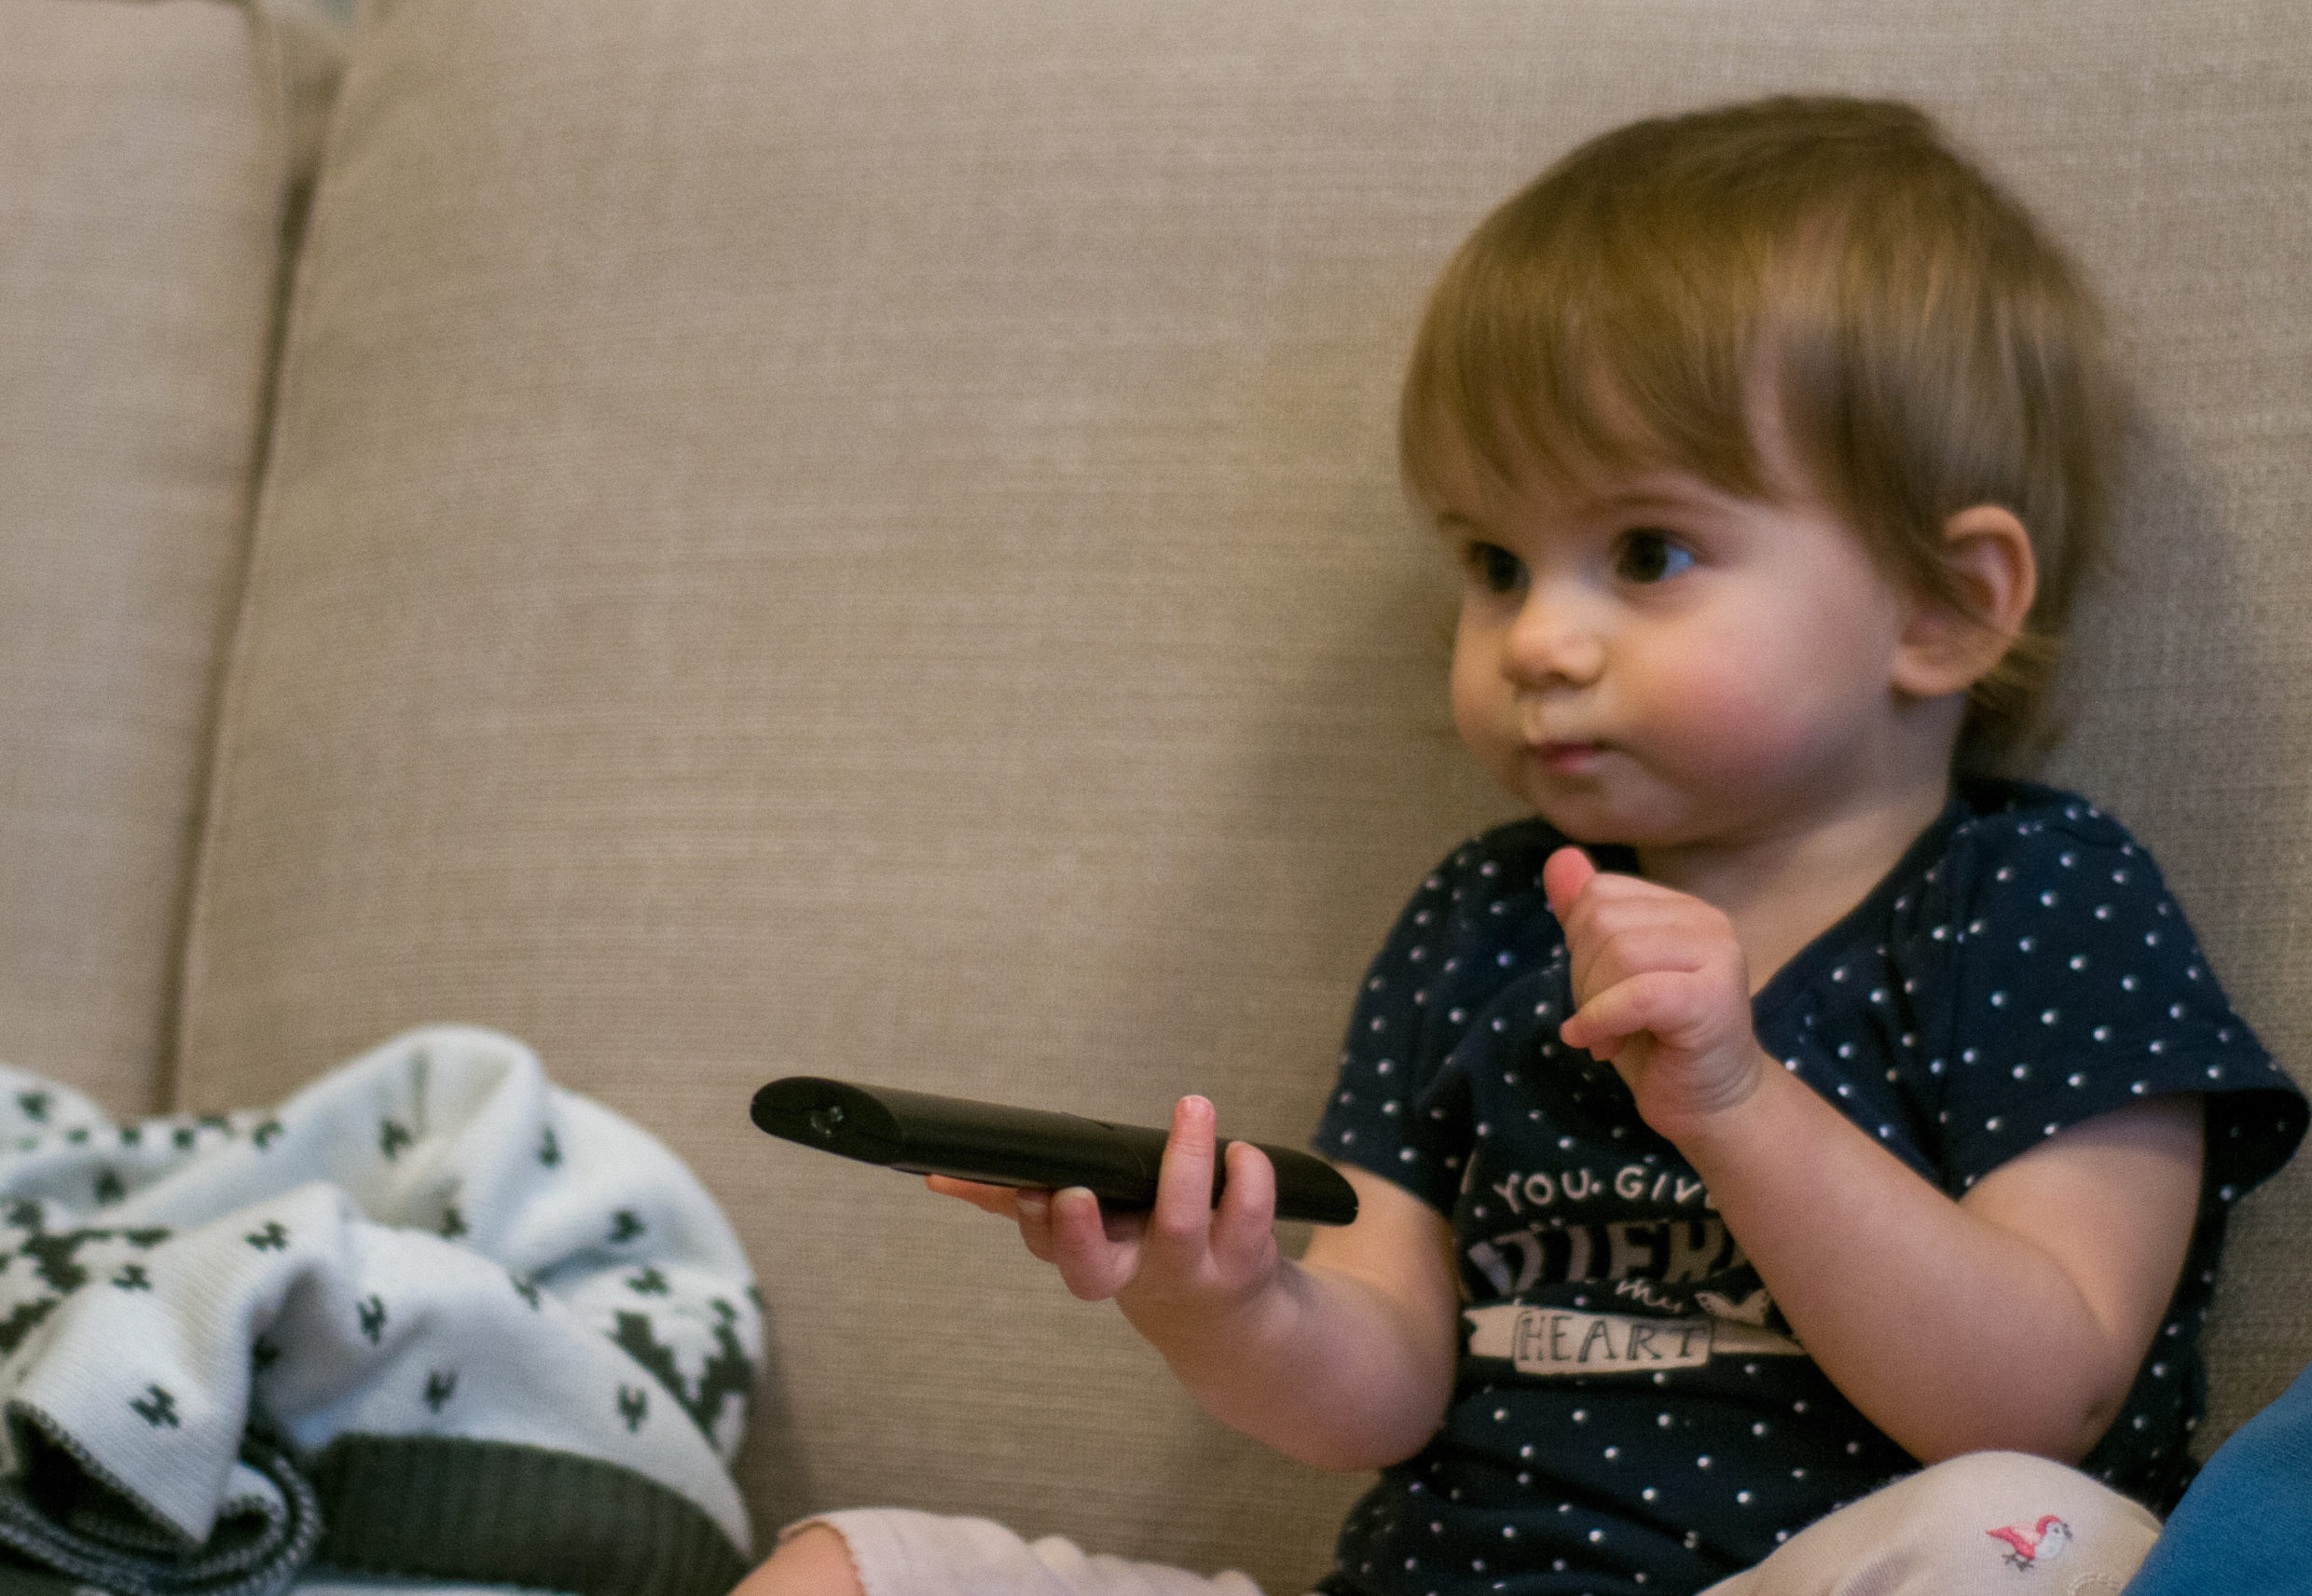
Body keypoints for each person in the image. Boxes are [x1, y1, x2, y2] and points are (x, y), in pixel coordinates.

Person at [736, 97, 2306, 1596]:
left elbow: (2045, 1391)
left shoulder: (2038, 897)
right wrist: (1228, 1305)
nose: (1539, 636)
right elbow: (1385, 1384)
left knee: (2029, 1535)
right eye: (1495, 560)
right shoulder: (1485, 916)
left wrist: (1738, 1102)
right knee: (848, 1565)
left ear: (1943, 605)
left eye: (1646, 552)